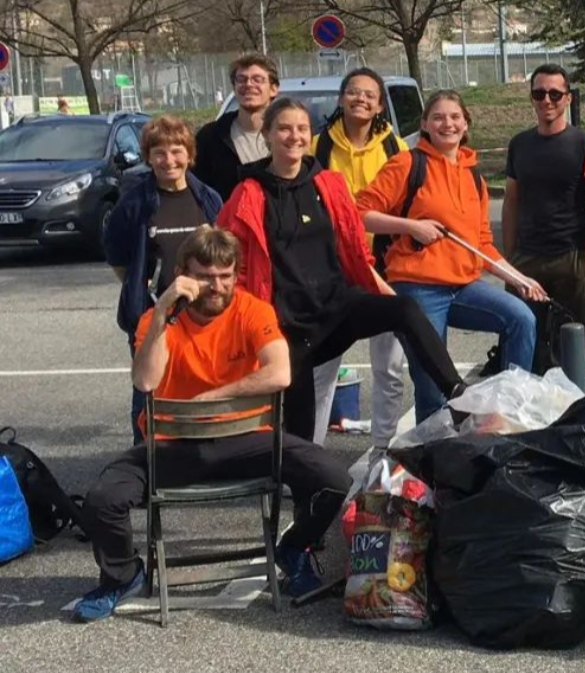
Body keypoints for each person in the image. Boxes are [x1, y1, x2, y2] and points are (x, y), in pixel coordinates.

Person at [72, 228, 352, 622]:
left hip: (246, 441)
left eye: (225, 275)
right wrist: (164, 312)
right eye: (205, 275)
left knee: (333, 478)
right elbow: (146, 382)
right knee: (103, 500)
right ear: (182, 273)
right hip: (173, 446)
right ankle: (121, 576)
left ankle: (293, 548)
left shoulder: (253, 310)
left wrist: (216, 396)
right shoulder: (157, 319)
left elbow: (281, 372)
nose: (217, 285)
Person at [217, 97, 465, 437]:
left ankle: (457, 395)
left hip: (336, 306)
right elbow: (231, 265)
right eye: (285, 129)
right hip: (288, 324)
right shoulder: (248, 193)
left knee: (405, 308)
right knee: (300, 422)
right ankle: (299, 485)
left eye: (302, 128)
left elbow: (355, 249)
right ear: (268, 135)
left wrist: (382, 289)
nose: (294, 136)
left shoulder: (329, 184)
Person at [358, 90, 546, 423]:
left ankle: (505, 414)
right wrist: (410, 227)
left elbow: (482, 243)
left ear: (466, 123)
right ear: (425, 124)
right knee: (432, 387)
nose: (448, 124)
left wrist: (519, 279)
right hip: (417, 287)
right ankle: (431, 459)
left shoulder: (474, 176)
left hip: (464, 285)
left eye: (455, 117)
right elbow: (359, 214)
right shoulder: (407, 163)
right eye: (439, 117)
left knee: (521, 318)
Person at [306, 68, 410, 453]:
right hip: (329, 271)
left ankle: (382, 453)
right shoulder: (316, 147)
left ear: (380, 104)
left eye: (369, 94)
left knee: (389, 370)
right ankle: (309, 457)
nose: (360, 99)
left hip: (382, 267)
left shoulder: (396, 148)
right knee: (321, 371)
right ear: (340, 98)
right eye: (353, 92)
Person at [104, 115, 223, 445]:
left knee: (202, 387)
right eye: (159, 152)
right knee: (149, 392)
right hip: (153, 315)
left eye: (176, 150)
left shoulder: (208, 199)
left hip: (203, 316)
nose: (168, 160)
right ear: (148, 156)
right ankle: (147, 461)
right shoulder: (134, 204)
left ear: (189, 154)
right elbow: (119, 260)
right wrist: (146, 292)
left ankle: (200, 457)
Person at [503, 64, 585, 367]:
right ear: (531, 98)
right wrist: (508, 259)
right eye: (539, 93)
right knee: (522, 343)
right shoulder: (519, 144)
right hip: (526, 259)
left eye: (555, 94)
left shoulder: (584, 143)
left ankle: (573, 409)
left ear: (568, 98)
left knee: (571, 346)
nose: (547, 100)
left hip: (571, 257)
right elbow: (512, 202)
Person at [194, 52, 281, 200]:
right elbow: (197, 190)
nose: (248, 84)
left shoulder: (290, 136)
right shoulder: (210, 137)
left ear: (273, 89)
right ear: (234, 88)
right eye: (241, 79)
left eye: (257, 79)